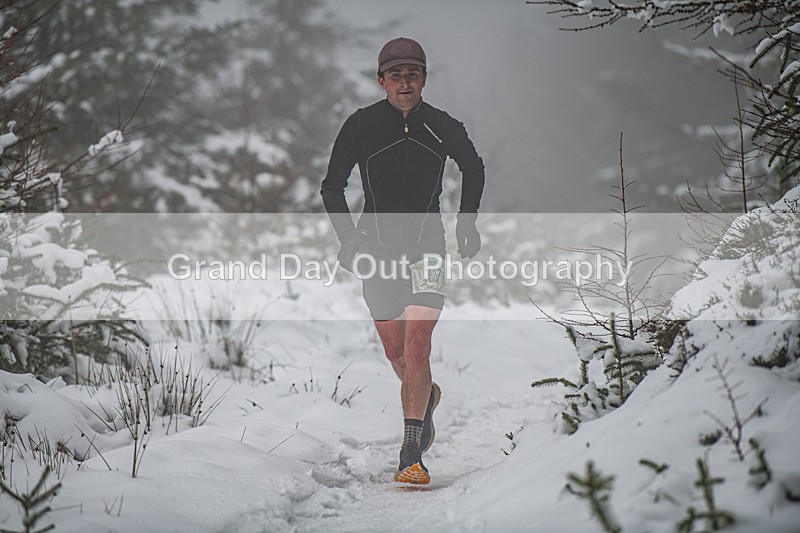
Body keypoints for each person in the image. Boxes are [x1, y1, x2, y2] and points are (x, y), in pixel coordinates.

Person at [320, 37, 485, 485]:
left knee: (417, 346)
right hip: (374, 248)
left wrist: (465, 224)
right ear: (382, 81)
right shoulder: (361, 126)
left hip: (428, 243)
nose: (405, 82)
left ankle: (410, 453)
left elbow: (474, 166)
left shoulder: (442, 125)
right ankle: (425, 395)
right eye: (396, 75)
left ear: (424, 79)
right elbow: (332, 187)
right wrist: (349, 240)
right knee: (396, 351)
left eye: (413, 74)